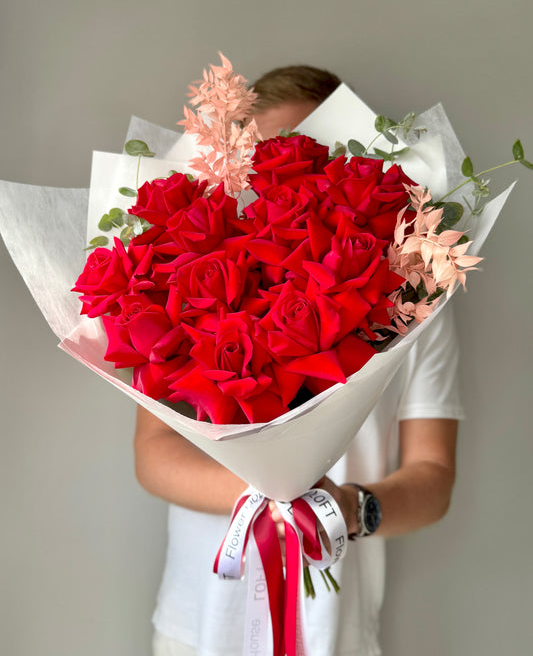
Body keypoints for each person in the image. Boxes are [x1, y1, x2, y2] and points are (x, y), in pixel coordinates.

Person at [134, 65, 463, 656]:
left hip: (339, 628)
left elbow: (433, 479)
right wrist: (267, 503)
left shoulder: (417, 303)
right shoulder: (183, 289)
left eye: (316, 157)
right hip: (195, 623)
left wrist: (349, 509)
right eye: (274, 160)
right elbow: (154, 455)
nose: (294, 182)